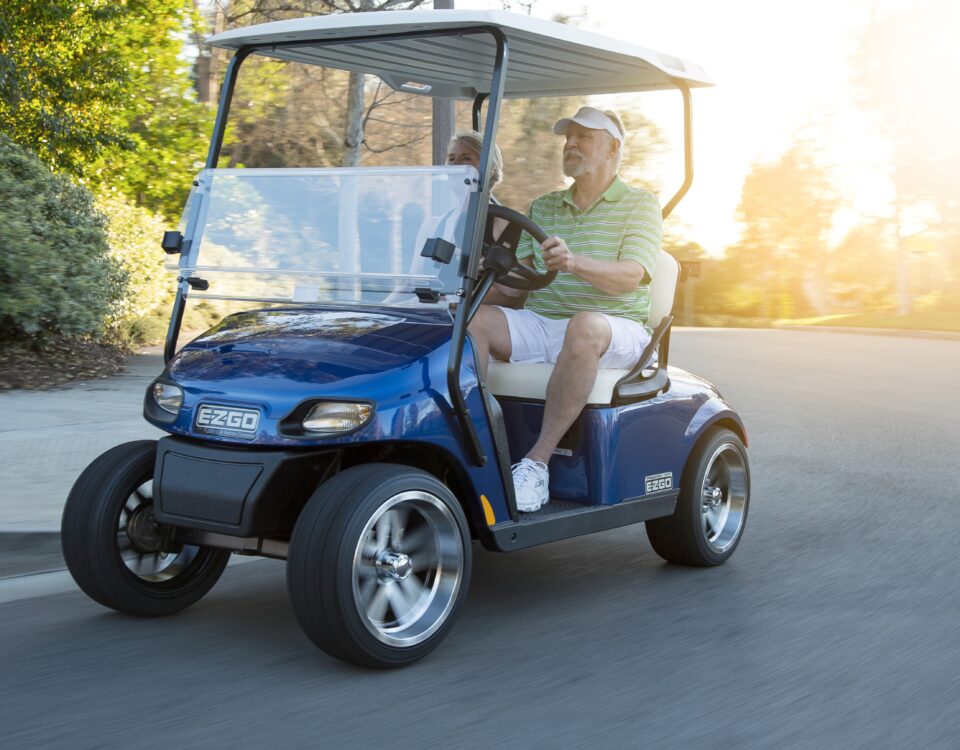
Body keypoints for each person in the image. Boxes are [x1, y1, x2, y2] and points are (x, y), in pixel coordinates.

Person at [469, 106, 662, 512]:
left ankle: (536, 465)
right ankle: (480, 452)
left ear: (612, 147)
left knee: (584, 326)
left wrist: (574, 262)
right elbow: (519, 281)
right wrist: (470, 295)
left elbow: (631, 275)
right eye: (568, 137)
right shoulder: (545, 206)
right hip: (546, 322)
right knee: (475, 324)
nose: (570, 144)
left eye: (583, 137)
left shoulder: (640, 204)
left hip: (617, 331)